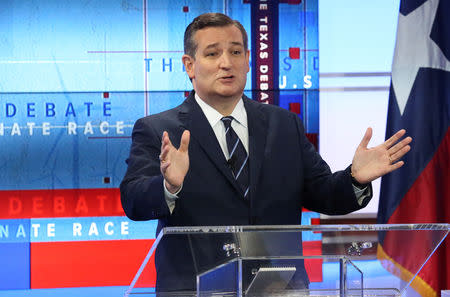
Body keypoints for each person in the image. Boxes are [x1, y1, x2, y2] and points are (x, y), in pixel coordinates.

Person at [120, 12, 412, 293]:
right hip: (195, 291)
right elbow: (134, 202)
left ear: (248, 61)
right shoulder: (159, 131)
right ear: (189, 65)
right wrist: (169, 186)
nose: (226, 63)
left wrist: (355, 178)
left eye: (236, 52)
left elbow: (324, 194)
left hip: (280, 289)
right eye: (212, 54)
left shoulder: (284, 125)